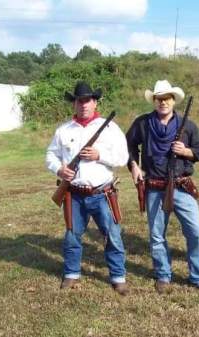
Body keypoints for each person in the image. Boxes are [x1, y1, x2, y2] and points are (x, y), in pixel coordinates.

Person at [126, 80, 199, 294]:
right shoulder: (143, 124)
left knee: (195, 233)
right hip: (154, 187)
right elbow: (128, 145)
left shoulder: (187, 125)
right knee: (156, 236)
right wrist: (134, 166)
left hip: (182, 186)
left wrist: (186, 151)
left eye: (167, 98)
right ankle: (163, 274)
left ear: (174, 101)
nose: (163, 102)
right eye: (159, 99)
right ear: (154, 101)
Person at [46, 81, 130, 295]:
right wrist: (59, 170)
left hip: (103, 193)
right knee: (72, 236)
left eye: (87, 100)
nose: (83, 104)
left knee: (113, 236)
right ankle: (72, 274)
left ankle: (118, 276)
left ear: (94, 102)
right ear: (74, 103)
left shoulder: (110, 128)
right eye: (79, 100)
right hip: (74, 194)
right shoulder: (63, 130)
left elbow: (123, 157)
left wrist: (99, 155)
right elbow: (50, 155)